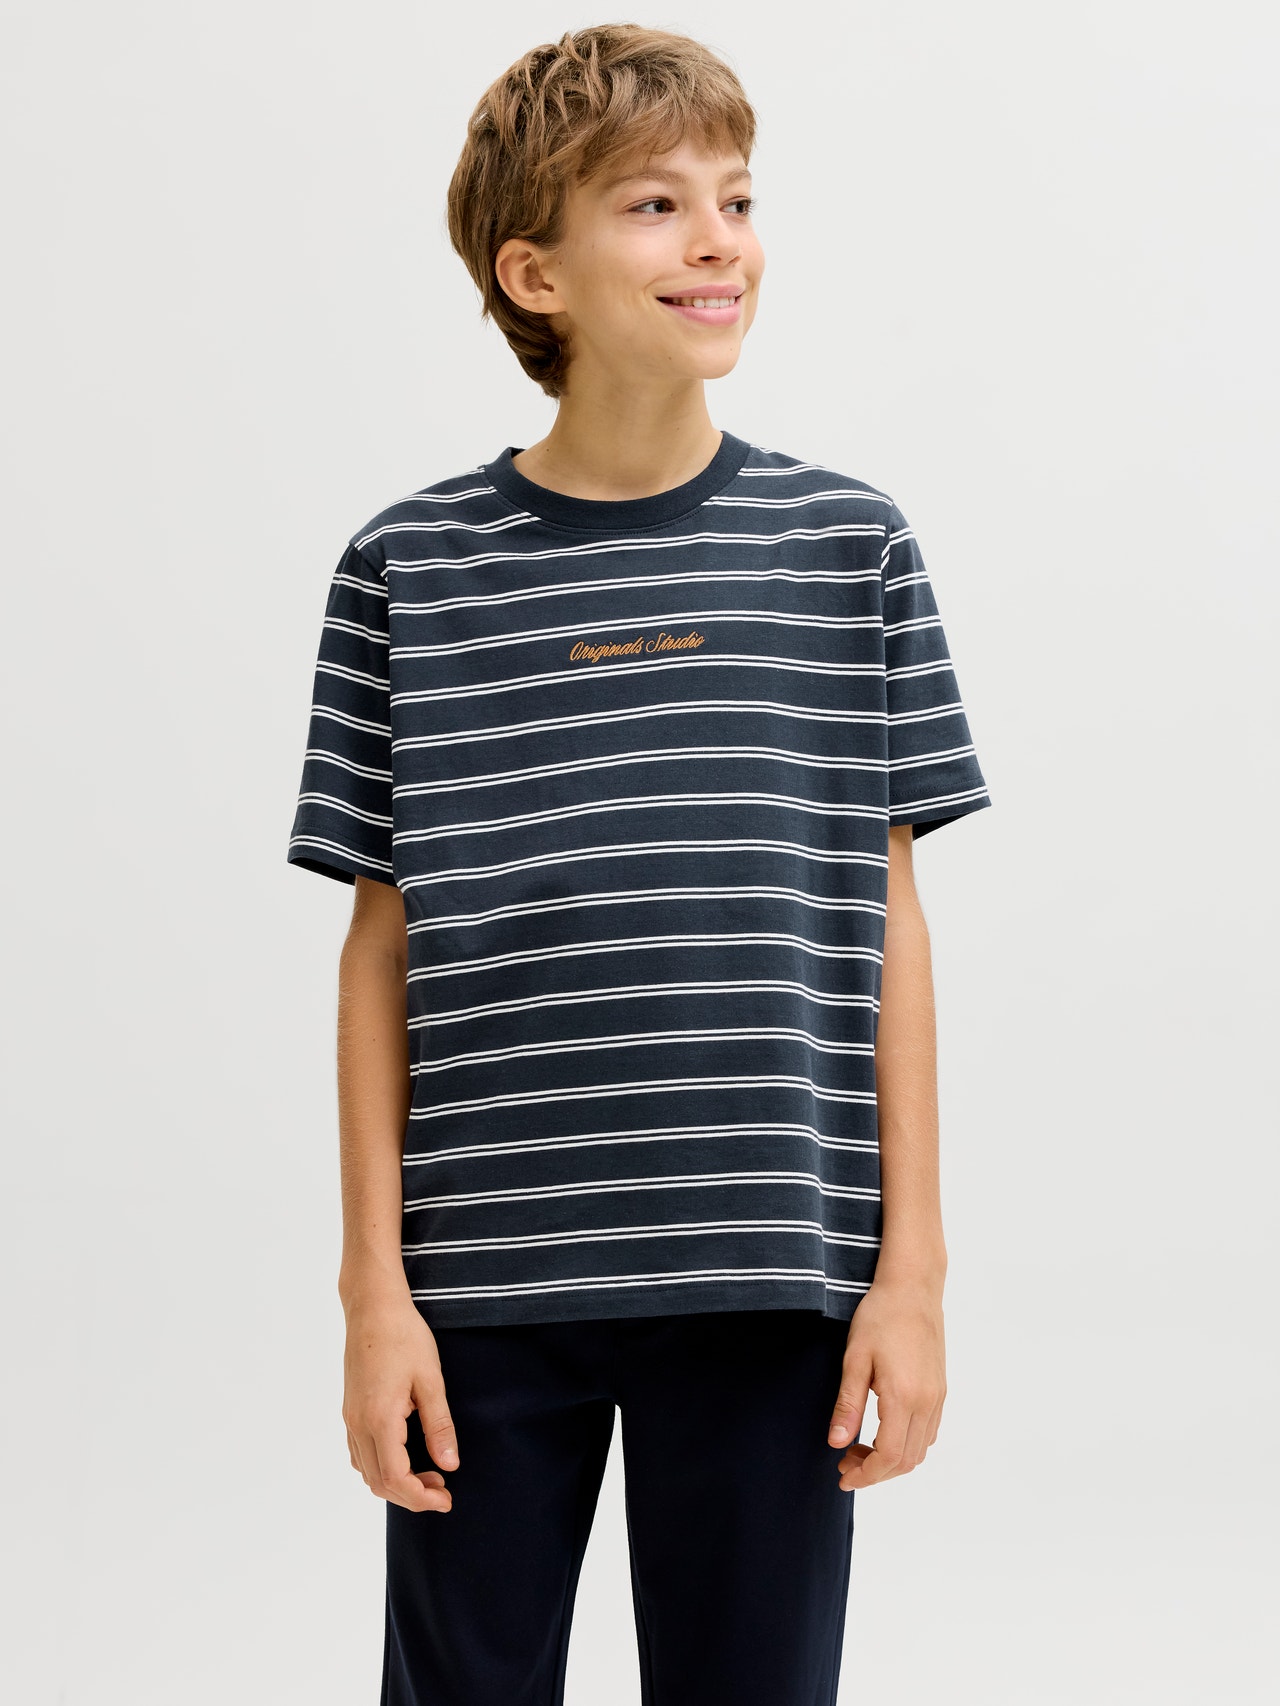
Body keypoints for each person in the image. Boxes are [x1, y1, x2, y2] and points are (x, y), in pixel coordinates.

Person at [286, 23, 992, 1706]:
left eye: (735, 199)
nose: (717, 240)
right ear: (533, 271)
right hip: (483, 1289)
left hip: (770, 1273)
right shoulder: (409, 570)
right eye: (655, 204)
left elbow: (888, 918)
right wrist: (375, 1293)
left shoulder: (849, 549)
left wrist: (911, 1273)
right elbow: (382, 942)